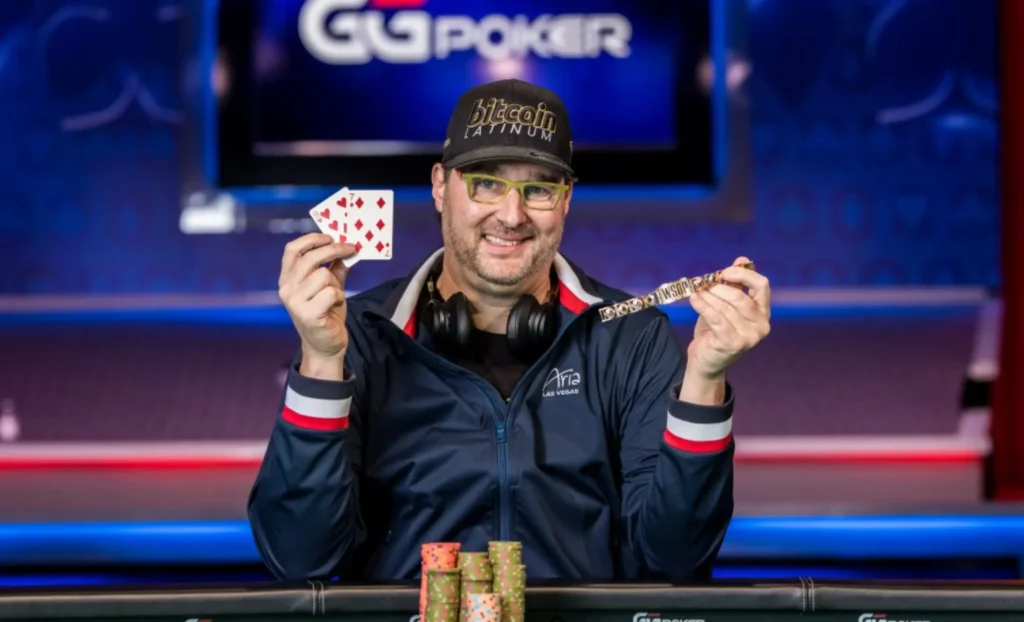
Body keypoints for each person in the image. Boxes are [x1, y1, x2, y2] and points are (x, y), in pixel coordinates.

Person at [248, 79, 771, 583]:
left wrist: (705, 381)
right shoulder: (359, 334)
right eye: (487, 182)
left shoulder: (632, 337)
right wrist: (319, 361)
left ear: (565, 200)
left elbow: (676, 562)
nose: (511, 213)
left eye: (538, 188)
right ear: (439, 186)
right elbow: (298, 559)